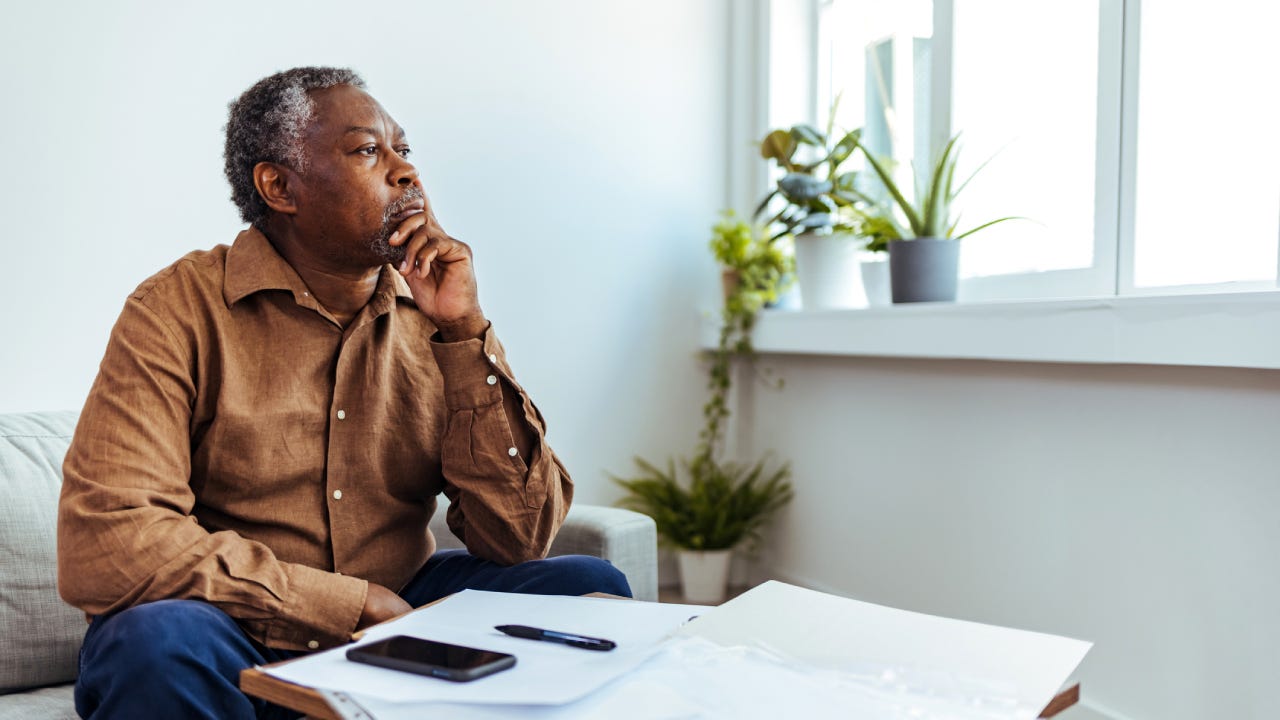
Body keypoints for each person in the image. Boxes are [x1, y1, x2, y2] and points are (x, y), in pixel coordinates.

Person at [57, 66, 630, 720]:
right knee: (152, 643)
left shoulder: (434, 316)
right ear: (279, 186)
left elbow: (520, 538)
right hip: (230, 627)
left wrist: (466, 332)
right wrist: (342, 603)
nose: (406, 172)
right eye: (367, 151)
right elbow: (109, 544)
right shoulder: (176, 309)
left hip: (403, 609)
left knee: (590, 589)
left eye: (404, 151)